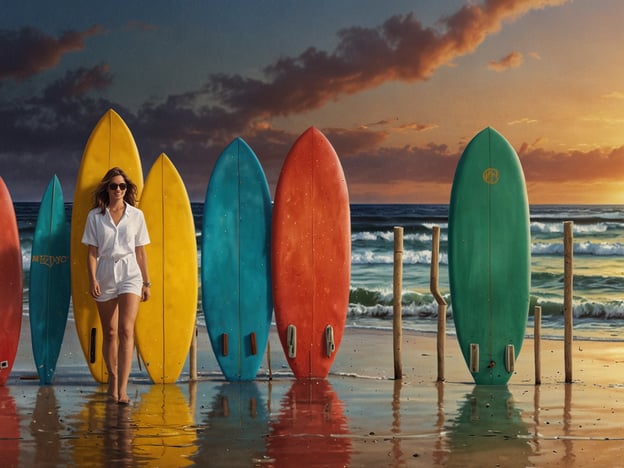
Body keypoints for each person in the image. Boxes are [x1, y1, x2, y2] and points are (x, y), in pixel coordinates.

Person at [81, 167, 151, 404]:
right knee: (110, 332)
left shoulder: (136, 216)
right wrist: (93, 279)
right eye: (114, 186)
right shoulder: (95, 217)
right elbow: (91, 252)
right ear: (107, 189)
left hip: (130, 273)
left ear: (126, 189)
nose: (118, 190)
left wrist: (146, 282)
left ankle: (122, 389)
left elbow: (141, 252)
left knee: (126, 330)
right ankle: (112, 379)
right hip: (105, 273)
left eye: (122, 186)